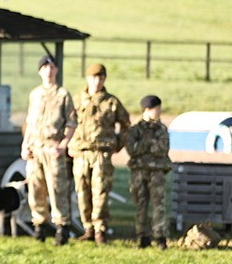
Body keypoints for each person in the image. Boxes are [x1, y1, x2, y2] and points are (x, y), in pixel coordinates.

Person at [69, 63, 130, 245]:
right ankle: (87, 227)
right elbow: (67, 124)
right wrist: (69, 144)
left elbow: (126, 124)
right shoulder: (77, 100)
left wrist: (118, 144)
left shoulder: (111, 102)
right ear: (88, 78)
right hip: (81, 152)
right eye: (94, 77)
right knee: (82, 190)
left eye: (101, 78)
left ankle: (100, 229)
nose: (97, 81)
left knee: (100, 191)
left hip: (101, 153)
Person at [21, 55, 77, 245]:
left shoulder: (63, 95)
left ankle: (62, 226)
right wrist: (25, 145)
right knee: (35, 188)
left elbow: (72, 123)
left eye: (52, 67)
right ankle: (39, 225)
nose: (48, 71)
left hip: (53, 147)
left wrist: (63, 145)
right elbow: (30, 122)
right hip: (35, 147)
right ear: (39, 71)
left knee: (57, 188)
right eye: (45, 67)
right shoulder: (35, 94)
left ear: (56, 70)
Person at [125, 95, 172, 249]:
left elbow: (162, 149)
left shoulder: (161, 129)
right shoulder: (135, 129)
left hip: (157, 171)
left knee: (159, 204)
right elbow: (132, 149)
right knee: (141, 204)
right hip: (138, 171)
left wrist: (143, 146)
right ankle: (142, 236)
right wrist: (150, 143)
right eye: (156, 109)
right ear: (147, 109)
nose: (159, 112)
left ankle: (160, 237)